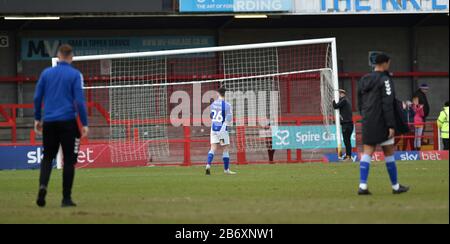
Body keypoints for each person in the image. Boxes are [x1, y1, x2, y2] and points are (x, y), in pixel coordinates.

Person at [34, 44, 88, 207]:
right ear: (71, 57)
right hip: (67, 122)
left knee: (48, 157)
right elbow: (79, 101)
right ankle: (66, 198)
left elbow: (37, 97)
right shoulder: (74, 75)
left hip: (49, 121)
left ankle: (43, 187)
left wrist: (37, 119)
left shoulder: (46, 73)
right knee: (69, 160)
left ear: (58, 56)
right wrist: (84, 123)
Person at [357, 53, 409, 195]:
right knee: (388, 152)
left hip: (368, 120)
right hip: (382, 121)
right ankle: (395, 186)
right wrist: (391, 125)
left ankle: (362, 186)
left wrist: (366, 116)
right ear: (385, 63)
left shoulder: (363, 79)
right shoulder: (385, 80)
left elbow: (360, 102)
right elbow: (387, 103)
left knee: (367, 152)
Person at [205, 87, 236, 175]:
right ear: (224, 94)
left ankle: (208, 165)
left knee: (213, 148)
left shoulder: (213, 104)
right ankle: (226, 170)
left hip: (213, 128)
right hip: (222, 130)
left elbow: (211, 116)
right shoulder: (227, 105)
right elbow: (229, 118)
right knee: (225, 148)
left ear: (218, 94)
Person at [333, 89, 353, 161]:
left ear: (341, 94)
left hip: (346, 124)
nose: (338, 95)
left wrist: (333, 100)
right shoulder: (346, 101)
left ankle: (348, 156)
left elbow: (335, 106)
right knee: (347, 141)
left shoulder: (344, 100)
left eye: (339, 94)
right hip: (349, 124)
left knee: (346, 141)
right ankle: (348, 156)